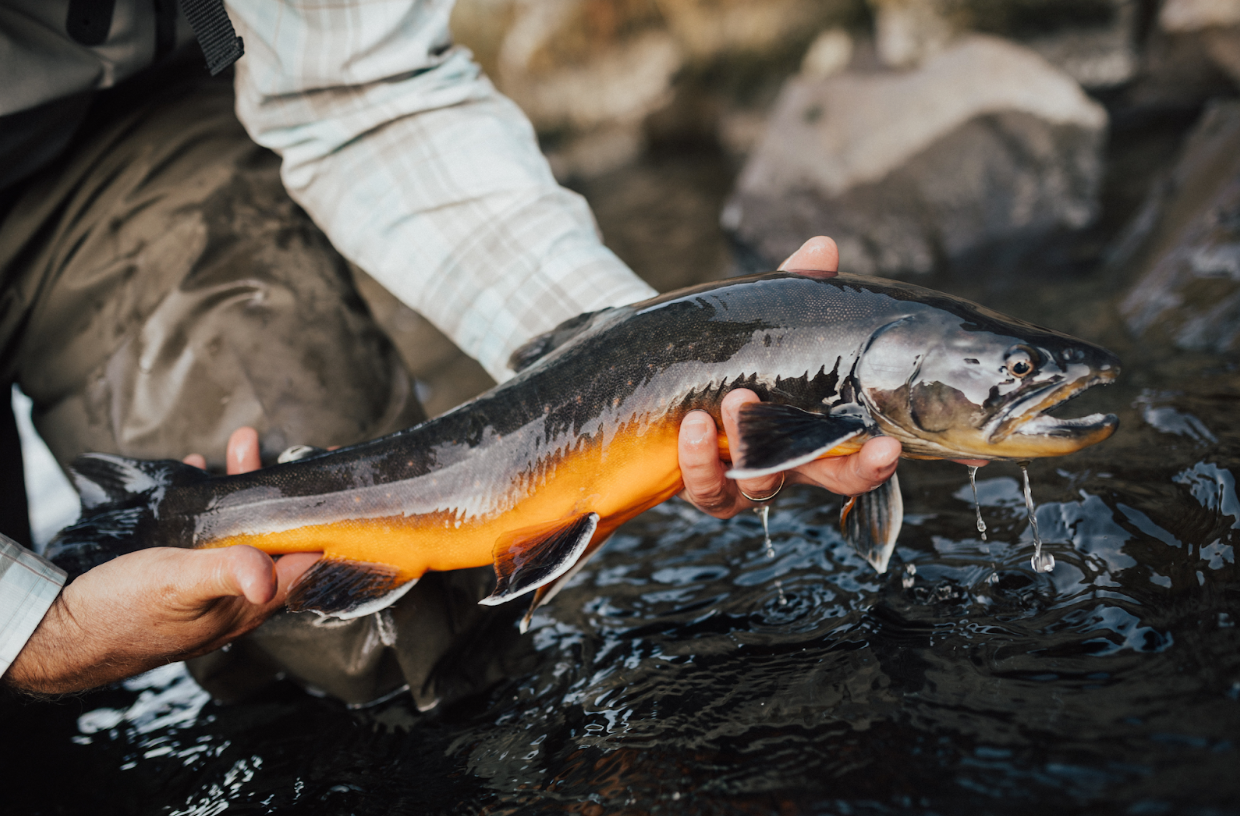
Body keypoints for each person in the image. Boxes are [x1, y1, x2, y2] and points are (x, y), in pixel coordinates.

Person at [0, 1, 901, 700]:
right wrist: (38, 632)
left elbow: (368, 93)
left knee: (368, 644)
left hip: (121, 138)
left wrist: (640, 361)